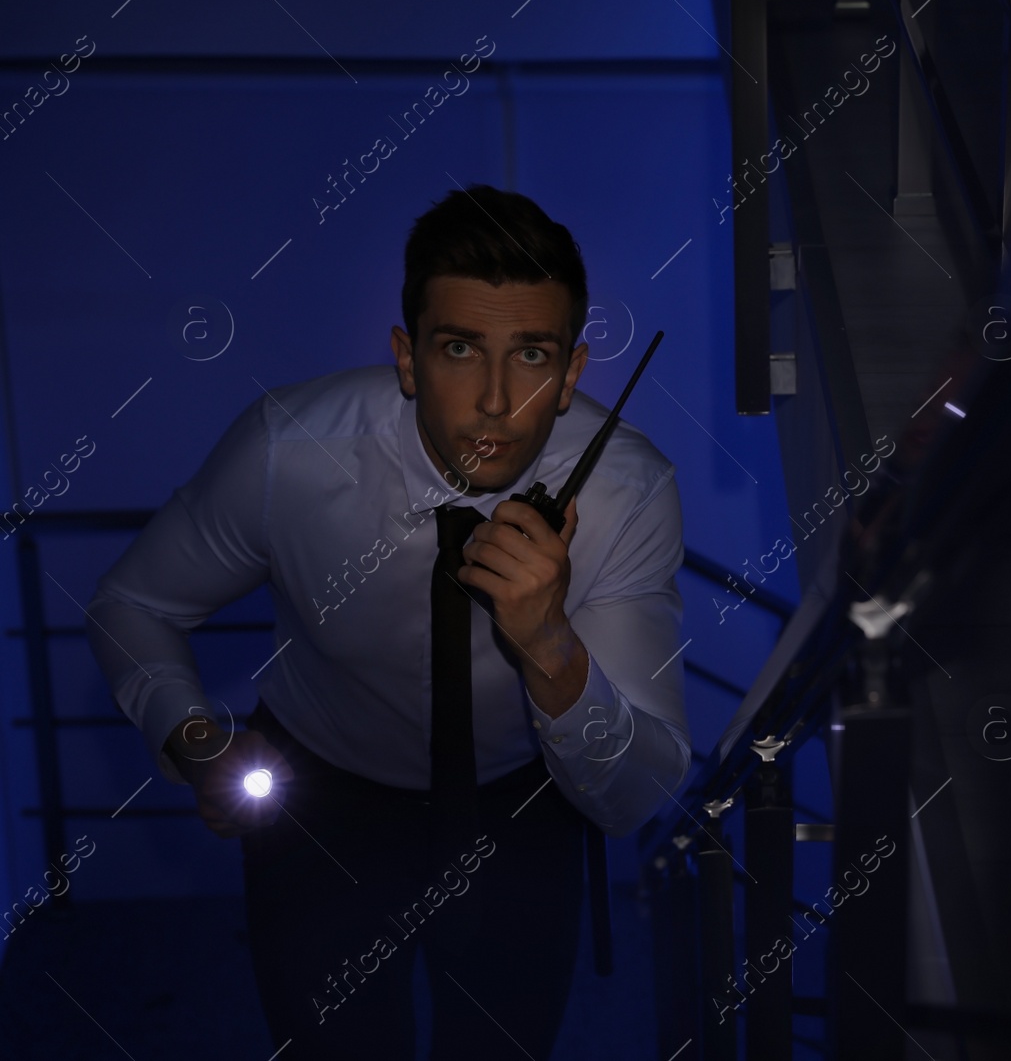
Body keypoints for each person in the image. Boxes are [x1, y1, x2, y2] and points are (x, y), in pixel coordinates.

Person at [85, 185, 692, 1059]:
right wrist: (191, 735)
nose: (494, 400)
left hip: (518, 807)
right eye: (458, 349)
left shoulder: (629, 489)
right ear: (407, 360)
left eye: (530, 354)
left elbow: (636, 793)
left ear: (571, 374)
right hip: (318, 800)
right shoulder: (288, 450)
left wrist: (551, 645)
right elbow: (130, 603)